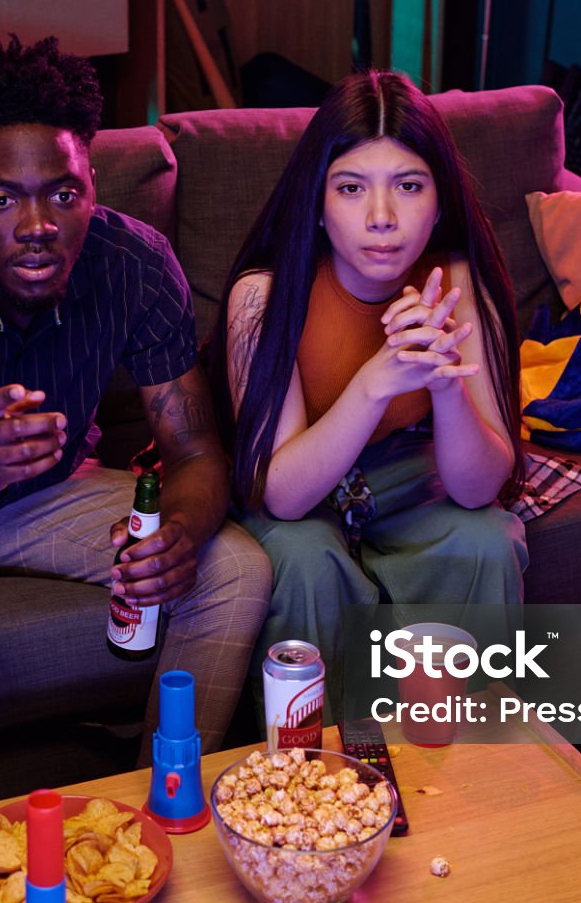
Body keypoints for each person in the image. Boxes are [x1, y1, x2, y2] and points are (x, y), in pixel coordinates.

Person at [0, 35, 270, 790]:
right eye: (1, 199)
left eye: (63, 195)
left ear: (92, 185)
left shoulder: (135, 265)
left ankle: (162, 806)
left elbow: (196, 453)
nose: (36, 224)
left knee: (235, 566)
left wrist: (179, 535)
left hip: (58, 491)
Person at [212, 69, 527, 710]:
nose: (381, 218)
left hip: (403, 474)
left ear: (440, 201)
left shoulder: (460, 283)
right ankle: (312, 758)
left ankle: (464, 747)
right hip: (293, 484)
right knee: (304, 558)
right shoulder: (264, 296)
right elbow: (284, 495)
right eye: (351, 188)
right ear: (317, 204)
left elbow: (479, 490)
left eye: (408, 186)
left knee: (488, 541)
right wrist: (376, 382)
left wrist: (444, 382)